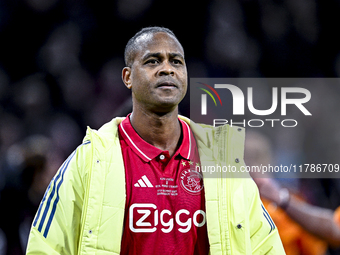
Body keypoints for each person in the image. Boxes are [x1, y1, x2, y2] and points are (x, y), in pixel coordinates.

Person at [26, 26, 285, 254]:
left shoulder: (224, 162)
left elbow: (265, 245)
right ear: (128, 77)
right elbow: (46, 247)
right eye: (152, 61)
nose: (167, 69)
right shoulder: (90, 160)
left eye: (176, 62)